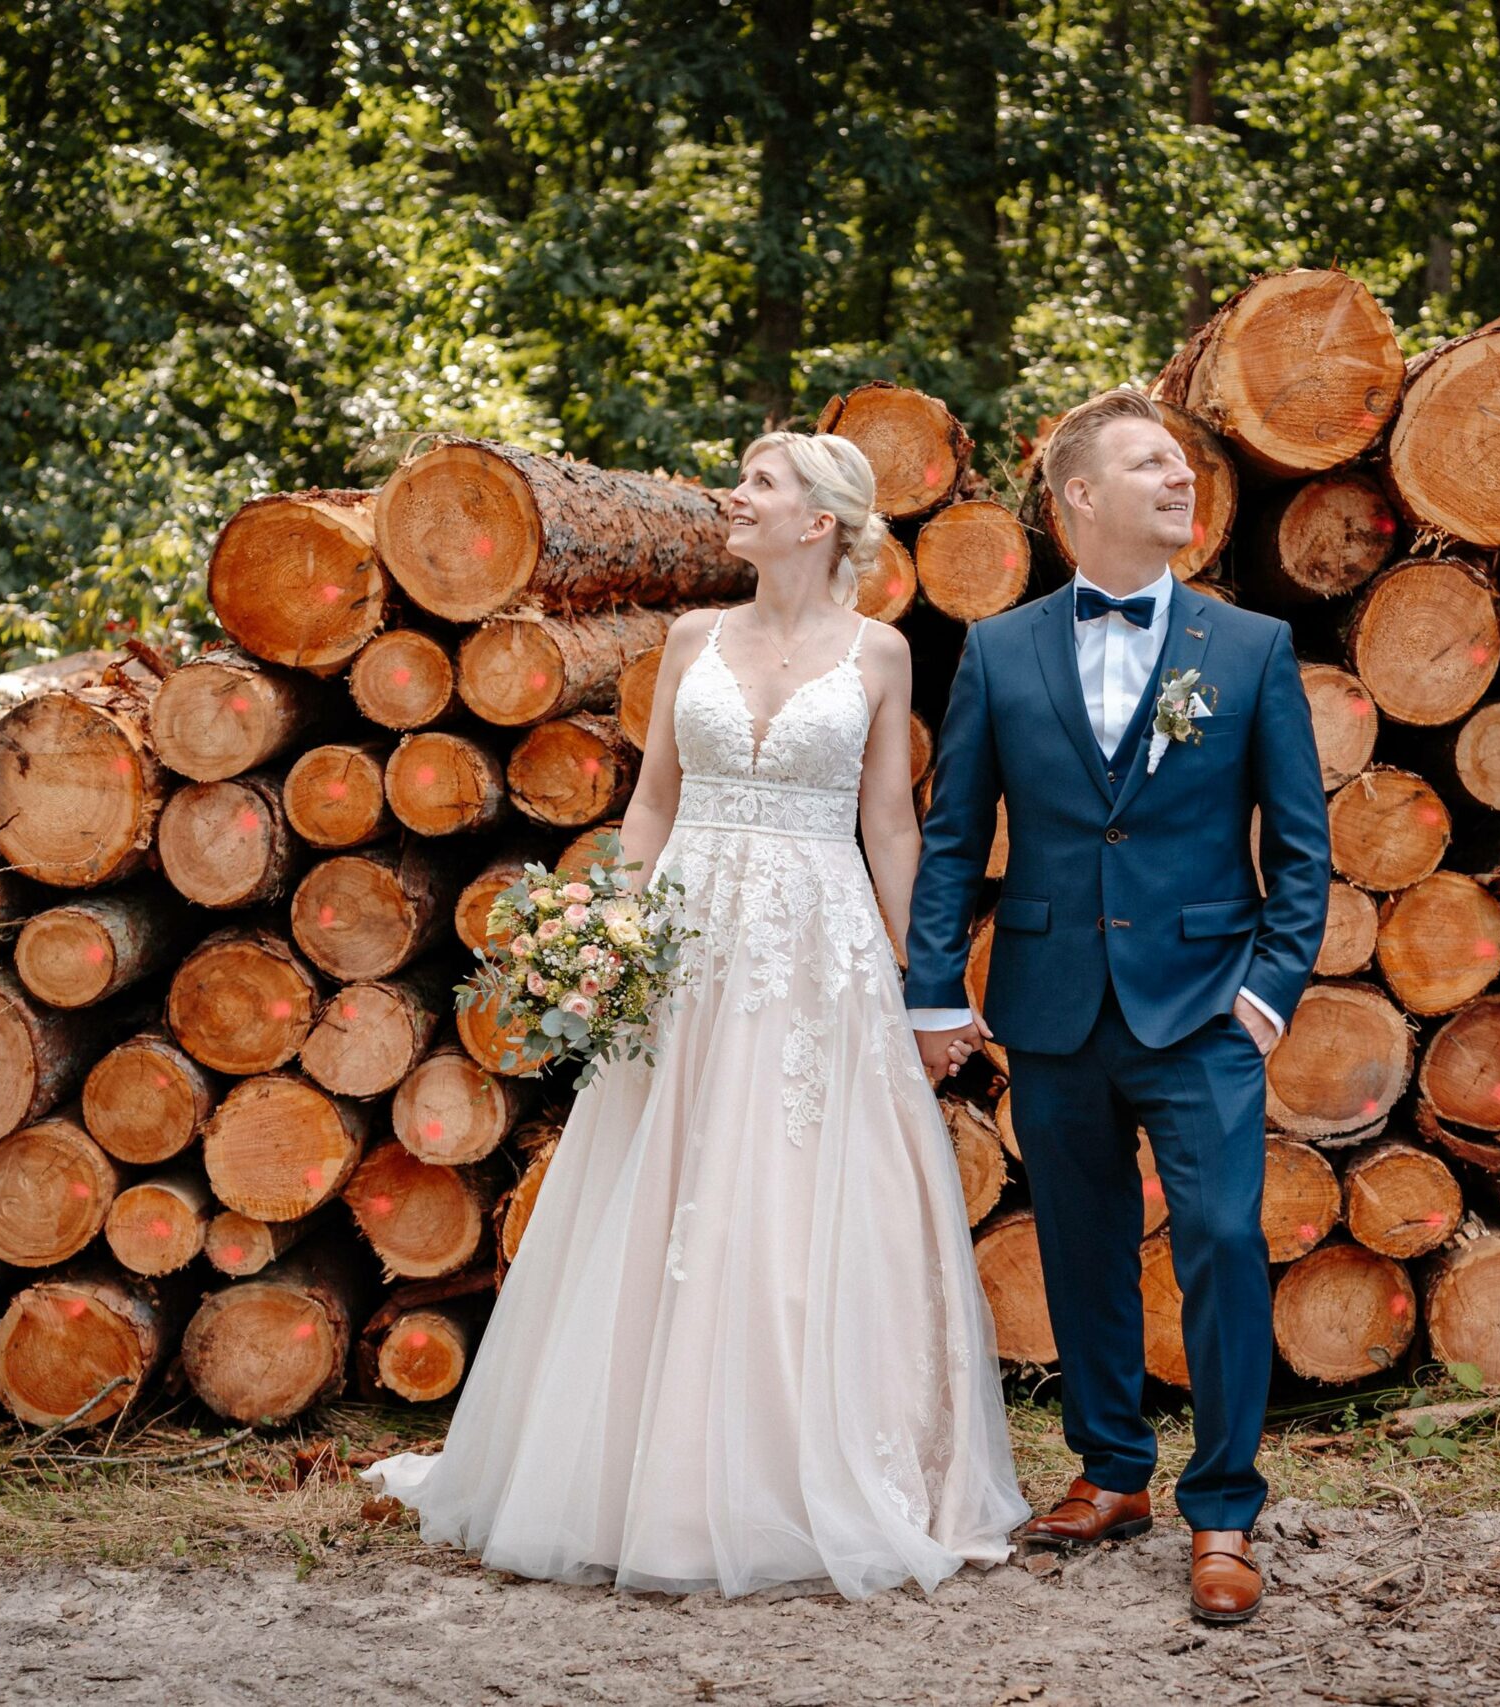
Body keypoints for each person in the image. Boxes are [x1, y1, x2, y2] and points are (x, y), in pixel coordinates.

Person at [361, 432, 1028, 1598]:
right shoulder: (687, 640)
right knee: (660, 1177)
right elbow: (654, 800)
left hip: (814, 945)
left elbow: (888, 826)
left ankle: (790, 1467)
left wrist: (918, 984)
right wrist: (615, 937)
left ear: (818, 521)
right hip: (686, 935)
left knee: (796, 1185)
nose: (736, 496)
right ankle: (630, 1475)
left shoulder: (878, 655)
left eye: (760, 484)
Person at [906, 387, 1331, 1626]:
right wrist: (935, 986)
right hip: (1049, 1004)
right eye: (1149, 463)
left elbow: (1299, 848)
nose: (1179, 479)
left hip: (1204, 1007)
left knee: (1219, 1242)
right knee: (1081, 1248)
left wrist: (1265, 996)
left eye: (1184, 465)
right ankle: (1108, 1472)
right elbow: (952, 839)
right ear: (1076, 497)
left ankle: (1226, 1508)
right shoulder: (997, 649)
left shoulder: (1246, 648)